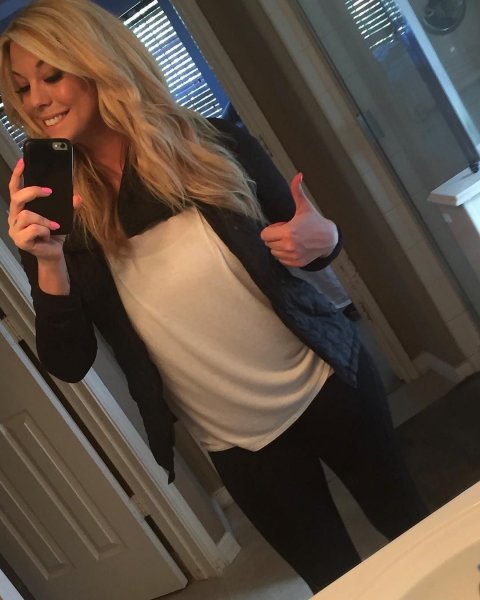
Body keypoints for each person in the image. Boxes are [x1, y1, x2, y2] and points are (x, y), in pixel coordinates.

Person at [0, 0, 428, 593]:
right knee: (336, 581)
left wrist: (324, 238)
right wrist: (48, 261)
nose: (36, 100)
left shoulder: (211, 142)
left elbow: (309, 239)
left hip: (329, 381)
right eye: (22, 87)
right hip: (240, 442)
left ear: (97, 63)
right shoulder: (53, 216)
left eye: (51, 75)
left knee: (416, 532)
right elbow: (68, 361)